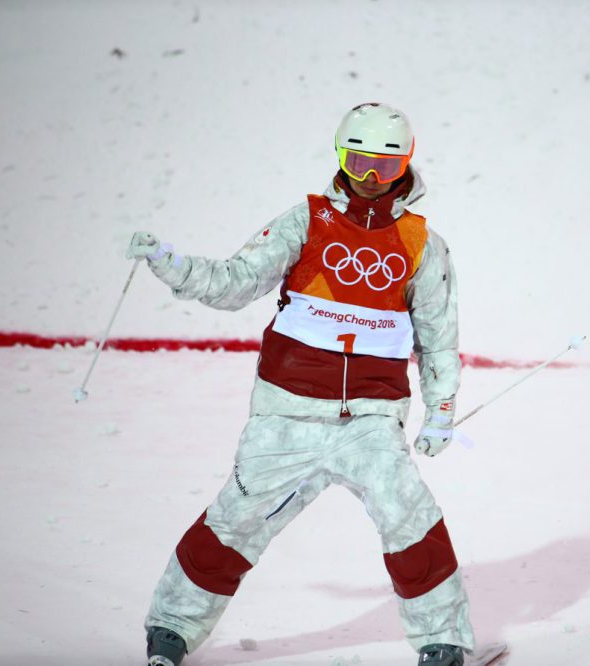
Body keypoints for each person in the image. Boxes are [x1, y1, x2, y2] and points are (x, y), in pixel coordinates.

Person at [129, 102, 476, 666]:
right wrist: (174, 265)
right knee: (236, 517)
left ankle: (443, 639)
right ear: (341, 158)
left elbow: (437, 335)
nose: (370, 179)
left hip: (370, 420)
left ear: (406, 168)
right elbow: (236, 281)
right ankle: (173, 625)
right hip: (285, 413)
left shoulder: (422, 243)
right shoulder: (307, 221)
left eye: (384, 169)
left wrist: (441, 410)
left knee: (409, 514)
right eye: (360, 162)